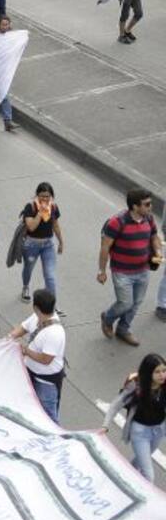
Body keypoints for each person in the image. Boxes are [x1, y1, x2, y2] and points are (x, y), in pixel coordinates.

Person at [98, 187, 163, 347]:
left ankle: (123, 329)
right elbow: (105, 247)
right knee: (125, 303)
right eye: (147, 204)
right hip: (122, 272)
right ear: (135, 206)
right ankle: (107, 318)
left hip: (143, 270)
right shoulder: (117, 222)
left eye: (150, 204)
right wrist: (102, 271)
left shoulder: (149, 219)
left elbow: (154, 237)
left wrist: (158, 251)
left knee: (136, 302)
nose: (150, 207)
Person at [104, 354, 166, 483]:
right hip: (140, 433)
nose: (162, 375)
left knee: (140, 460)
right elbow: (116, 404)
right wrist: (105, 425)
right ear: (149, 373)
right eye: (157, 372)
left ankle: (124, 478)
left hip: (158, 430)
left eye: (164, 371)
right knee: (149, 475)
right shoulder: (136, 385)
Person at [7, 289, 66, 423]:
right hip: (29, 373)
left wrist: (25, 351)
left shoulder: (55, 333)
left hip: (46, 381)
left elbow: (46, 359)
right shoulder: (37, 318)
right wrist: (10, 337)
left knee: (49, 416)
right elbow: (24, 327)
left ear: (36, 308)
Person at [19, 181, 64, 308]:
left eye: (47, 196)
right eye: (42, 195)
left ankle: (52, 306)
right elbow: (31, 227)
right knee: (28, 269)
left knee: (50, 276)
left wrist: (61, 241)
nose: (45, 198)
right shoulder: (30, 207)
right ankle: (25, 287)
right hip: (31, 245)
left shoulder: (53, 207)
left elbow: (55, 225)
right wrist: (40, 213)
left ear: (51, 196)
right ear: (37, 195)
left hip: (48, 245)